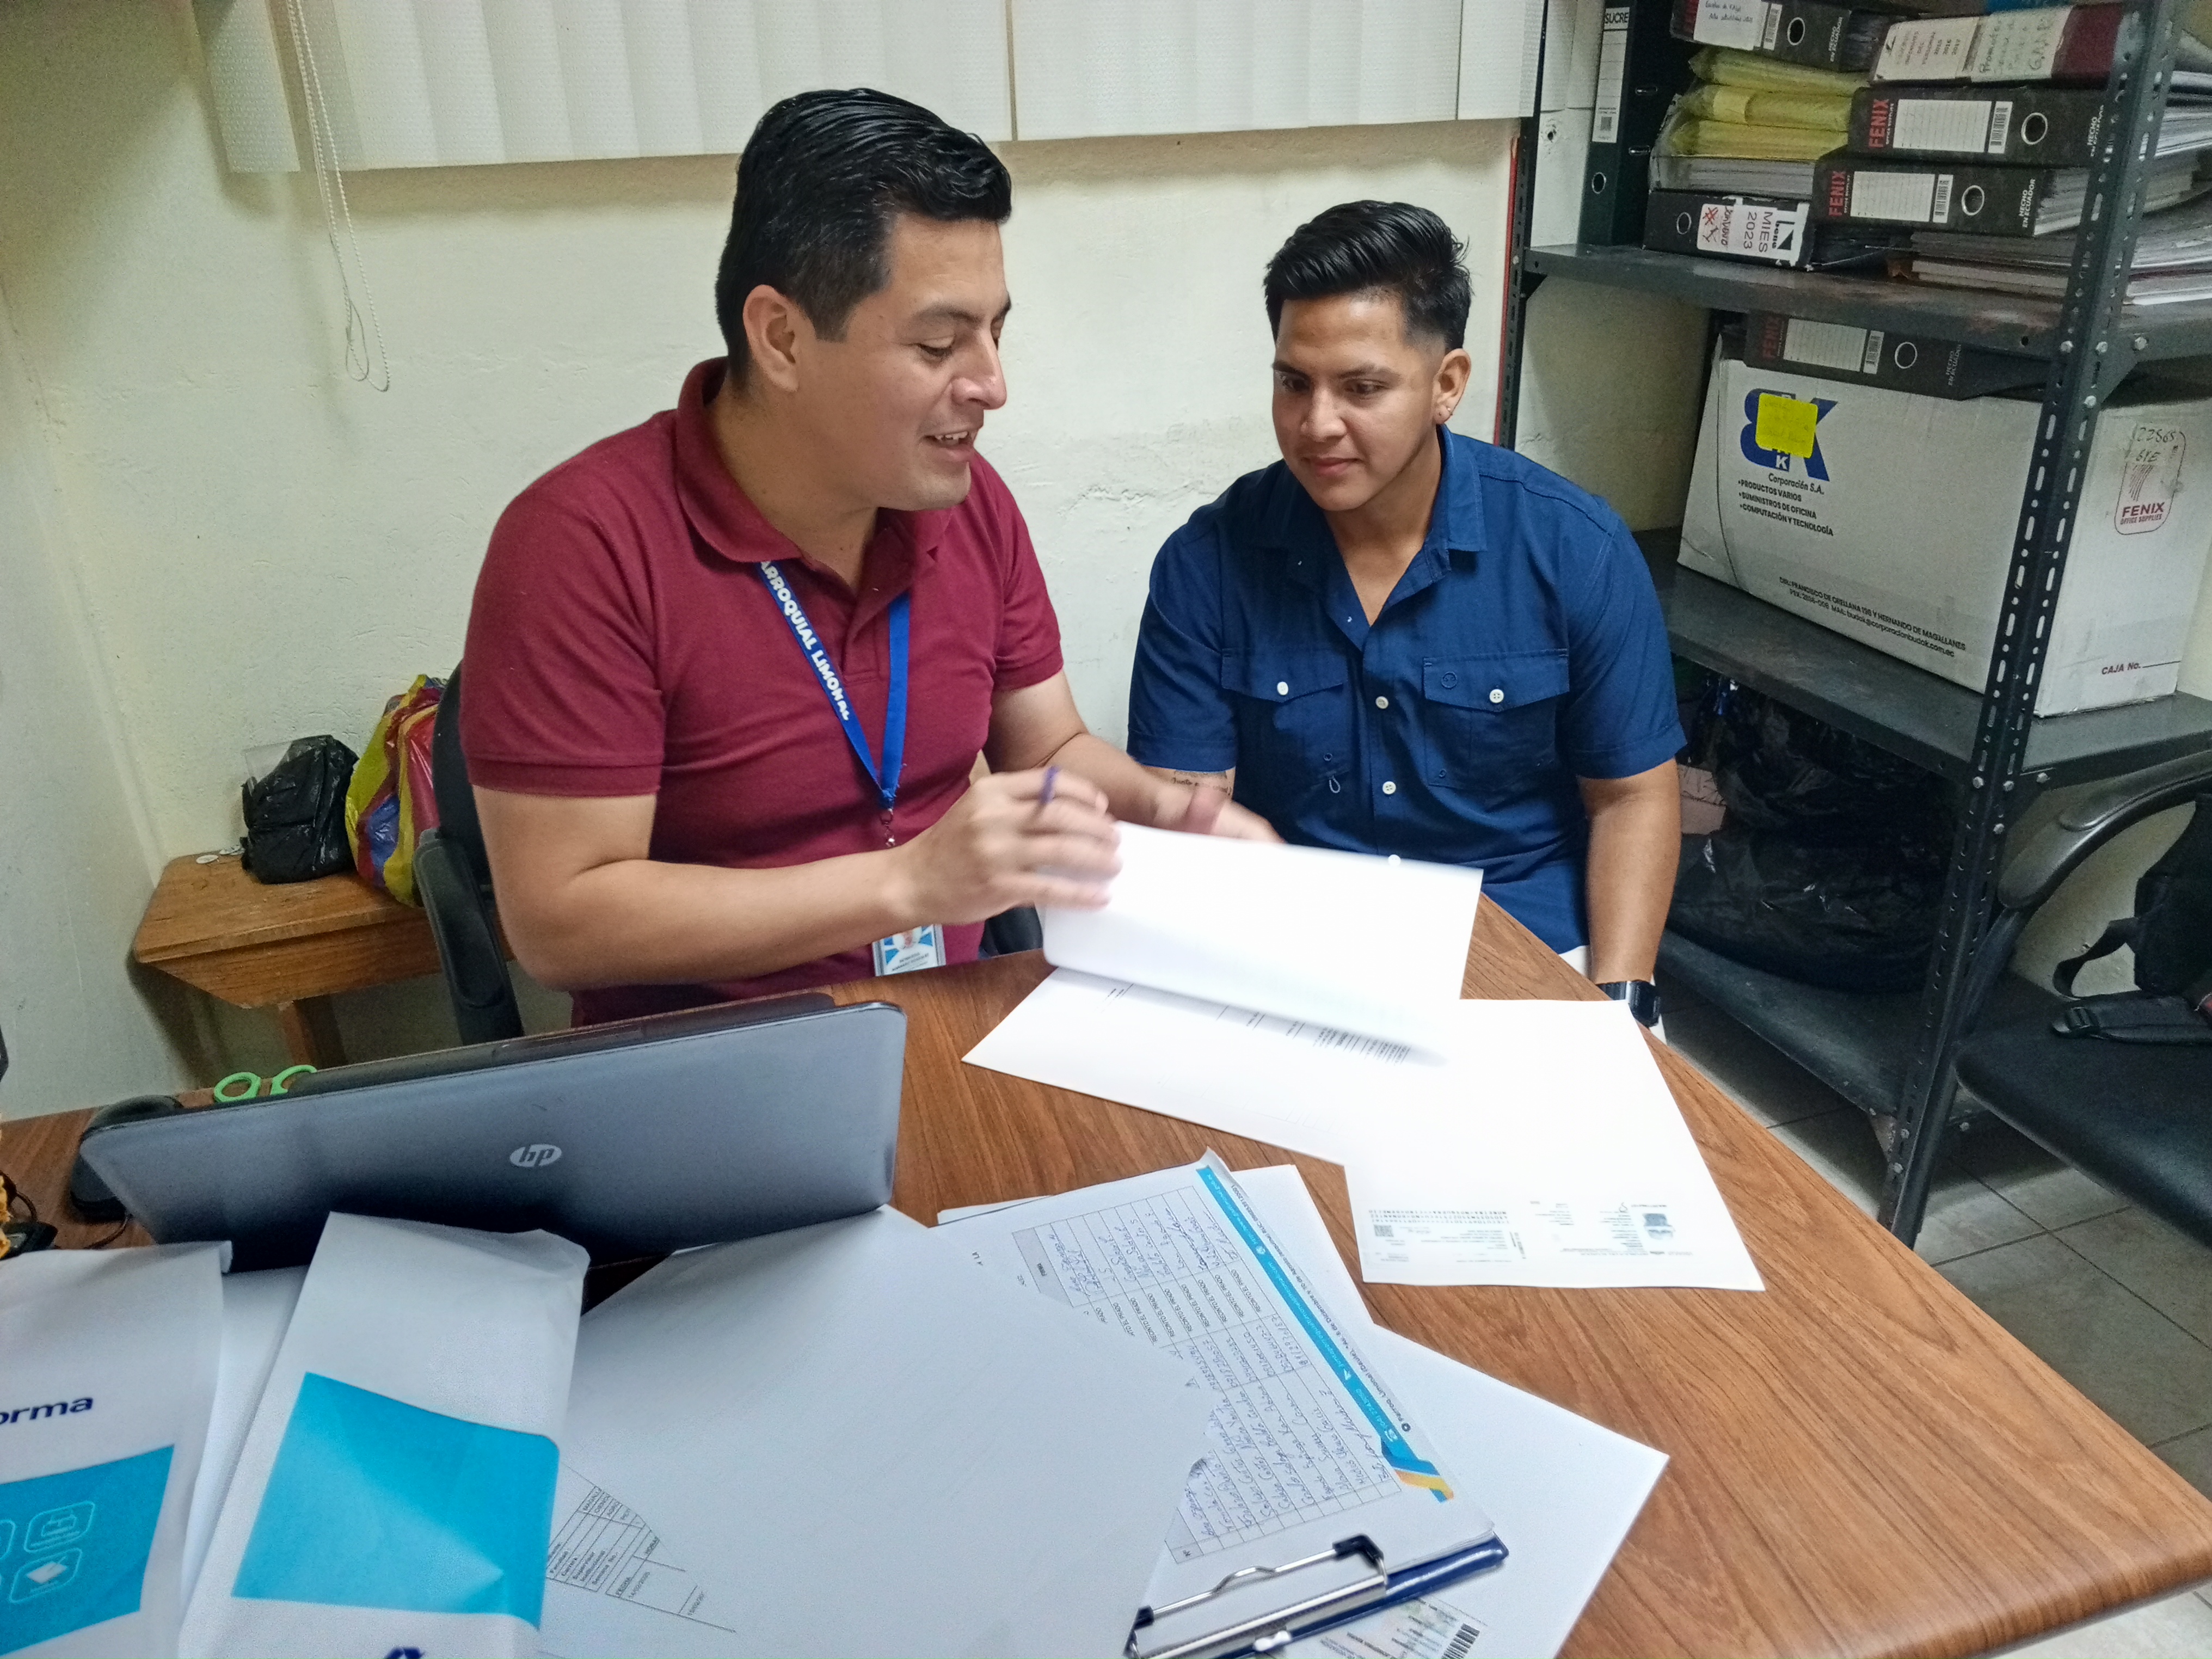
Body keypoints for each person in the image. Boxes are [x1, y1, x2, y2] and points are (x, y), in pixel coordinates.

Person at [462, 88, 1270, 1025]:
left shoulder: (968, 503)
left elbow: (1045, 748)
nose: (993, 384)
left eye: (996, 331)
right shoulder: (584, 543)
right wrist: (907, 884)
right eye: (939, 343)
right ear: (782, 339)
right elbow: (561, 924)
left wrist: (1169, 812)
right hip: (713, 1061)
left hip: (954, 1018)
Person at [1126, 201, 1682, 1026]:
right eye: (1293, 383)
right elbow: (1188, 820)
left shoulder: (1573, 547)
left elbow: (1631, 798)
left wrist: (1621, 1001)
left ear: (1446, 385)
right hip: (1301, 950)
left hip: (1529, 942)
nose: (1317, 425)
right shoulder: (1206, 563)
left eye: (1362, 388)